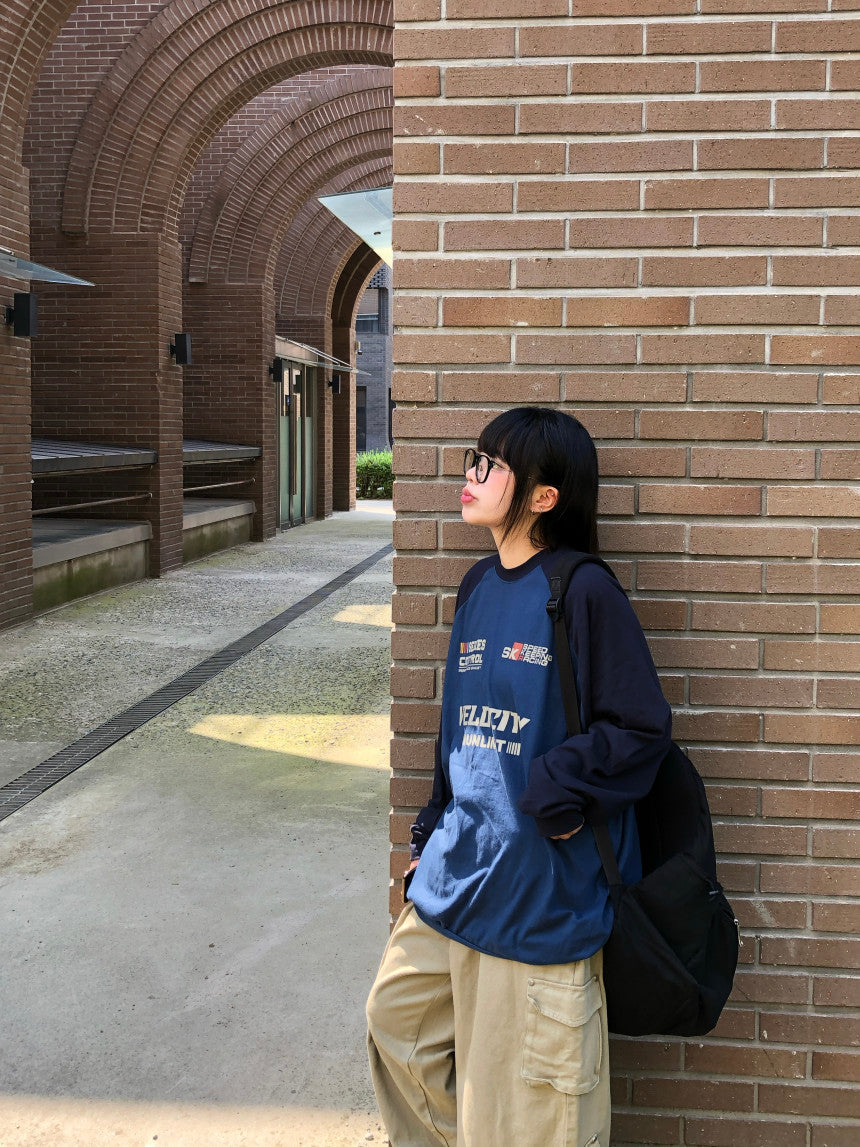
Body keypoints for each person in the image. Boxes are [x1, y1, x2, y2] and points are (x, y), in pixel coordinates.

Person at [367, 406, 672, 1147]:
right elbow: (457, 732)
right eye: (474, 459)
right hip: (455, 881)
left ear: (543, 496)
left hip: (541, 899)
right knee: (395, 1024)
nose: (471, 475)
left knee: (529, 1120)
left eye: (491, 465)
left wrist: (554, 785)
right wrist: (428, 834)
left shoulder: (583, 592)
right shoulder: (477, 585)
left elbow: (640, 729)